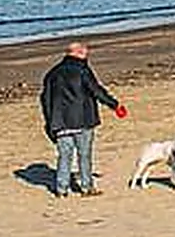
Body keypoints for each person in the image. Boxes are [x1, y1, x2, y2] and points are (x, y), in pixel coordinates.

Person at [40, 42, 126, 197]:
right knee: (84, 154)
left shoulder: (52, 73)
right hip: (83, 119)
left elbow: (45, 100)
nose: (87, 52)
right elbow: (95, 90)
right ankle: (86, 187)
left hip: (60, 122)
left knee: (65, 156)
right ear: (78, 52)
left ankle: (61, 189)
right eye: (85, 49)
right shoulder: (82, 70)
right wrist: (115, 105)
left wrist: (49, 121)